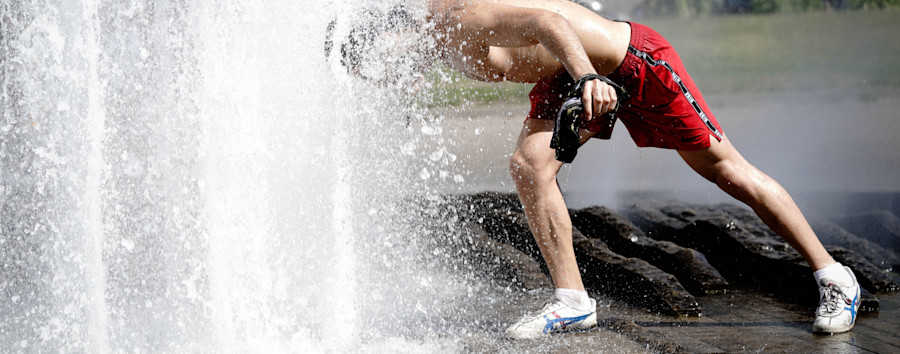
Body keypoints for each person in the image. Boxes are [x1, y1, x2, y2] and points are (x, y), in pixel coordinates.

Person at [330, 0, 862, 339]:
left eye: (373, 64)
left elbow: (548, 21)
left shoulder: (452, 15)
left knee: (726, 171)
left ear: (388, 32)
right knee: (527, 167)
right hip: (565, 76)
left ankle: (835, 277)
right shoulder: (428, 41)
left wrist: (587, 77)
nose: (379, 76)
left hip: (626, 62)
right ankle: (572, 301)